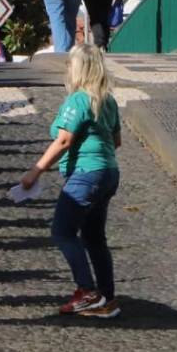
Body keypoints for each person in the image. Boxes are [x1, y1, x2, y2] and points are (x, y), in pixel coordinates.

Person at [19, 44, 123, 319]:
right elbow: (116, 141)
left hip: (85, 175)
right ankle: (107, 298)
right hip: (108, 172)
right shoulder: (107, 99)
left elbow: (64, 140)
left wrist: (35, 171)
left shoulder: (77, 101)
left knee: (63, 232)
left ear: (78, 69)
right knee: (94, 238)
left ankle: (87, 291)